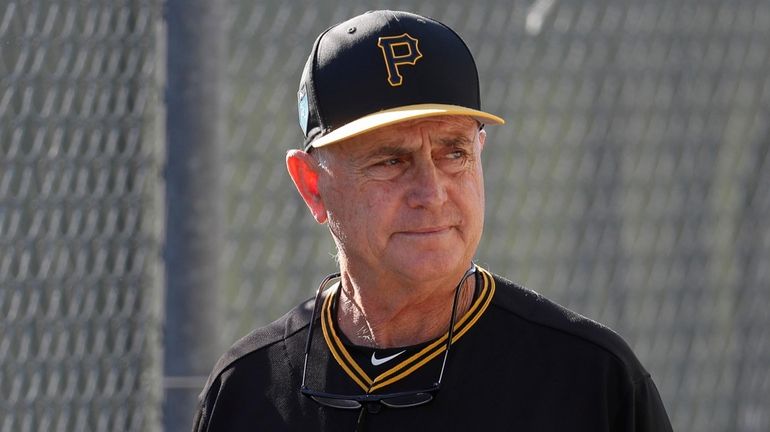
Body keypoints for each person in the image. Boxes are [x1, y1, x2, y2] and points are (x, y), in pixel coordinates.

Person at [193, 10, 673, 431]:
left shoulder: (589, 382)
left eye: (454, 153)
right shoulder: (247, 392)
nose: (432, 192)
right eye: (390, 160)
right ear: (313, 185)